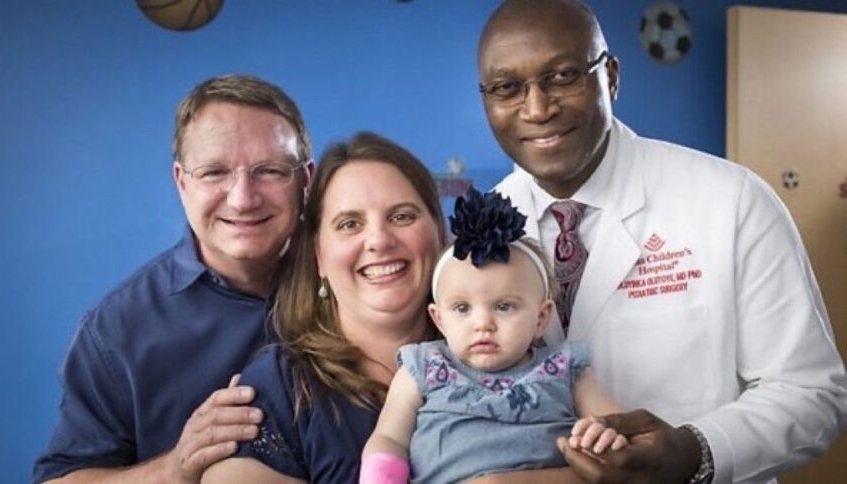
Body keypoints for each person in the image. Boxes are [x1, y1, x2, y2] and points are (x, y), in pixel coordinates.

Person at [478, 1, 847, 483]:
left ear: (610, 77)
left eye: (564, 76)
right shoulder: (484, 223)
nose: (538, 108)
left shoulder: (730, 200)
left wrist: (696, 451)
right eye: (507, 88)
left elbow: (812, 393)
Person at [33, 74, 313, 483]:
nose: (243, 198)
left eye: (269, 170)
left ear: (305, 180)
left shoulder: (362, 278)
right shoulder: (118, 329)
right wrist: (174, 467)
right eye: (215, 172)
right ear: (183, 183)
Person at [199, 131, 447, 483]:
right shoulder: (283, 385)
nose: (378, 240)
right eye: (350, 224)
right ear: (319, 256)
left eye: (402, 216)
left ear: (438, 231)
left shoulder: (504, 351)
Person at [360, 187, 627, 484]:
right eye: (462, 308)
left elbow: (619, 428)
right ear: (439, 319)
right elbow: (389, 438)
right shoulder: (422, 366)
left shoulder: (568, 368)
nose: (483, 324)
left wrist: (605, 434)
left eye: (504, 306)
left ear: (541, 318)